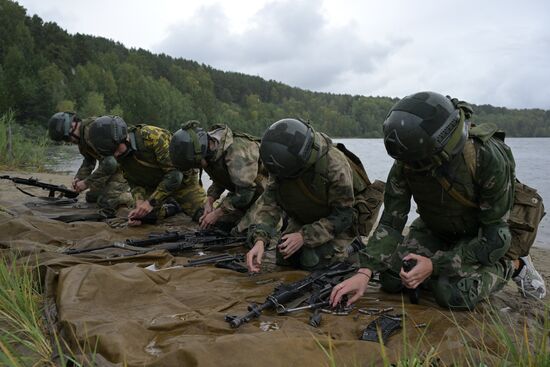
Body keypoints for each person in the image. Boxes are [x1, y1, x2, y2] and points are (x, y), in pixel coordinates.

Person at [330, 91, 546, 311]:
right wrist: (364, 272)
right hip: (436, 228)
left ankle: (516, 266)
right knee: (392, 279)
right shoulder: (408, 160)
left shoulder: (485, 158)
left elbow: (495, 238)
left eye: (418, 163)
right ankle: (438, 265)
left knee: (452, 294)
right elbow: (390, 223)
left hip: (479, 237)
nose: (410, 168)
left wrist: (434, 265)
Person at [246, 118, 384, 272]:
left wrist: (303, 236)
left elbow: (343, 216)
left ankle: (354, 246)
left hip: (343, 221)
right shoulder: (280, 165)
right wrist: (260, 240)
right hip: (309, 215)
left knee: (313, 260)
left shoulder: (334, 165)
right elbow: (269, 204)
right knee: (284, 256)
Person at [87, 115, 206, 226]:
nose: (116, 155)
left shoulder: (152, 137)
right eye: (111, 153)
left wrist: (150, 203)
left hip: (183, 183)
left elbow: (175, 175)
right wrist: (139, 202)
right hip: (153, 185)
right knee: (145, 217)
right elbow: (133, 182)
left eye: (116, 149)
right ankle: (173, 207)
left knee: (204, 216)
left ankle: (178, 202)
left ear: (124, 137)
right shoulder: (120, 155)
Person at [169, 121, 267, 233]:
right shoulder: (210, 151)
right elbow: (220, 178)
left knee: (243, 232)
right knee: (219, 225)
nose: (196, 168)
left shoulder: (236, 152)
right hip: (240, 194)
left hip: (264, 194)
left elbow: (246, 192)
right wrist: (210, 200)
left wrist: (217, 212)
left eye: (196, 164)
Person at [47, 112, 132, 214]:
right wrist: (79, 178)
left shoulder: (92, 131)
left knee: (107, 202)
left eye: (67, 138)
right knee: (91, 197)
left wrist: (86, 183)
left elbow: (111, 163)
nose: (69, 142)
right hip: (109, 168)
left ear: (73, 125)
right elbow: (89, 160)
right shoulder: (81, 139)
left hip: (124, 167)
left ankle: (137, 197)